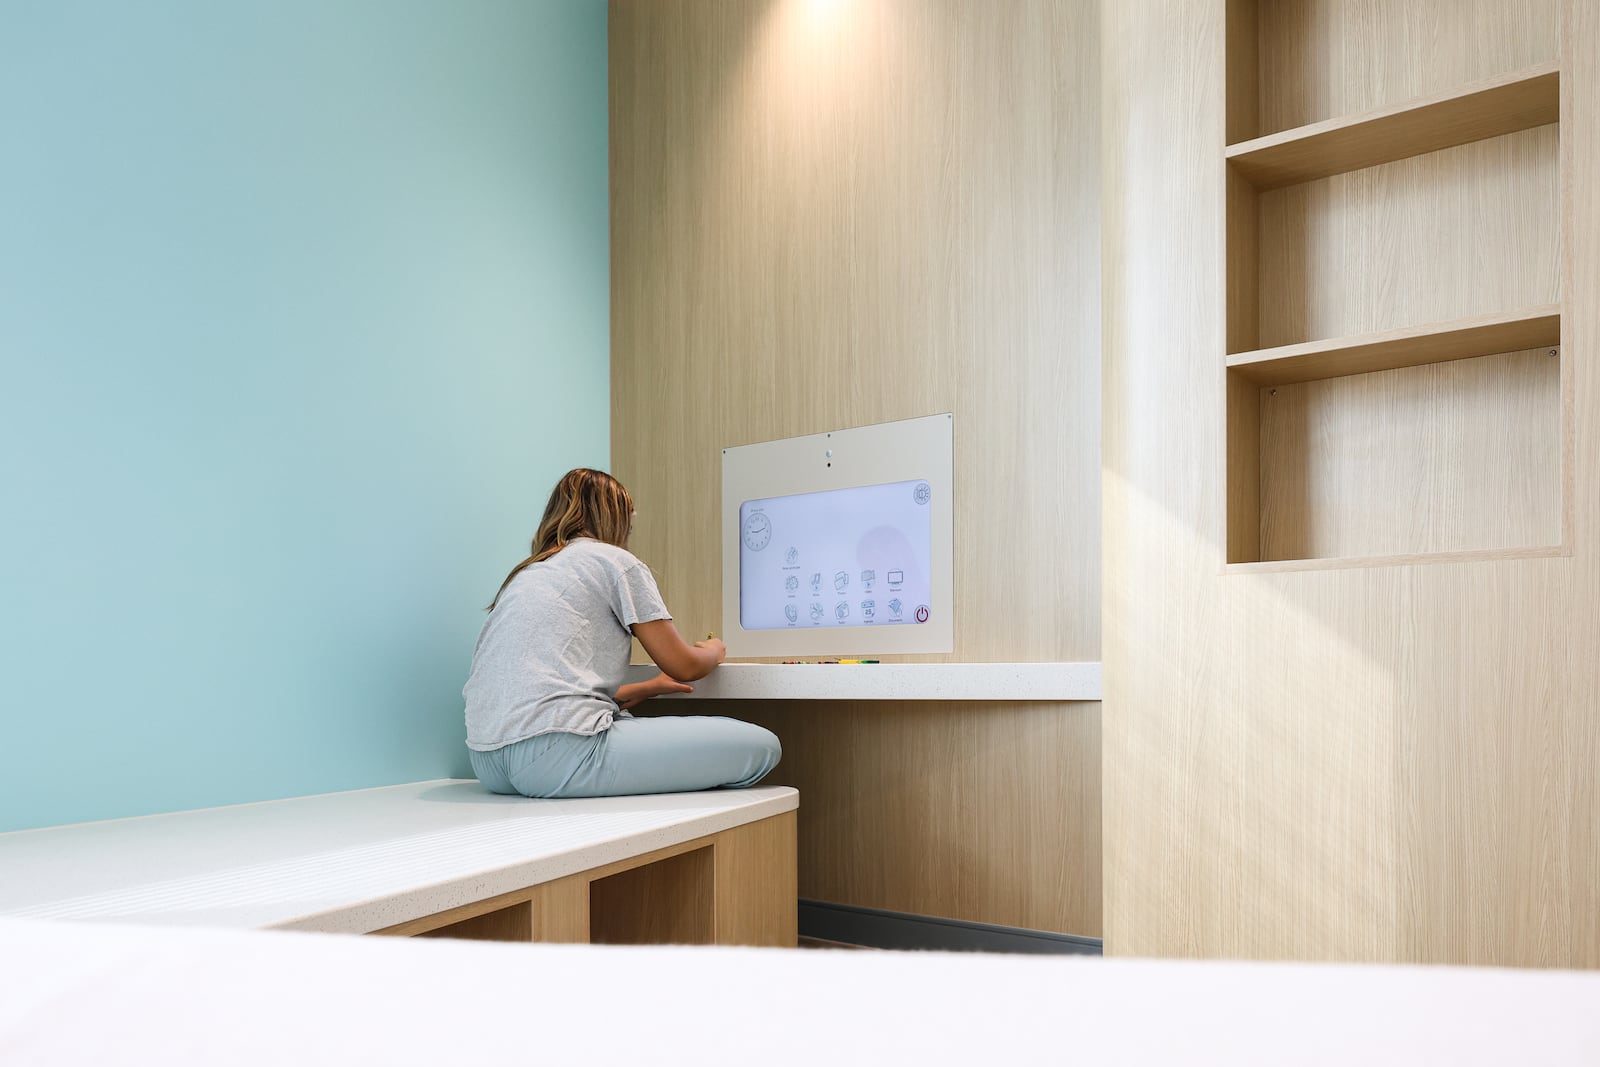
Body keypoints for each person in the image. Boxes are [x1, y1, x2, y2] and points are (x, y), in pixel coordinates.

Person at [463, 468, 781, 798]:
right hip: (555, 757)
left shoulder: (528, 572)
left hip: (488, 760)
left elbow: (543, 695)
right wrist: (715, 650)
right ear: (616, 518)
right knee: (764, 748)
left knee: (623, 726)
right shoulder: (614, 561)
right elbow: (684, 665)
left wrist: (647, 687)